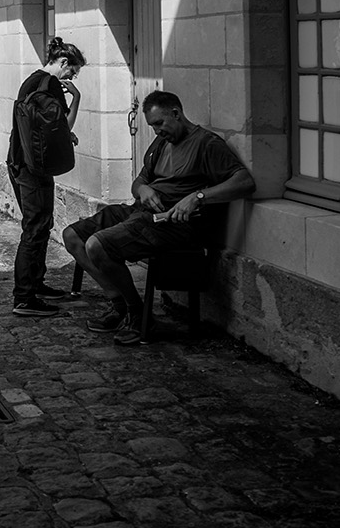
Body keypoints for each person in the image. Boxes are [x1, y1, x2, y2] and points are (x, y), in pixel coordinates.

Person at [62, 90, 255, 346]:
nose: (156, 131)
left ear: (176, 114)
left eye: (159, 123)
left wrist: (198, 196)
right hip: (141, 212)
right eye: (152, 126)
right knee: (73, 236)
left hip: (172, 223)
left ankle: (138, 314)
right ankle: (119, 304)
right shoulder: (162, 143)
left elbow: (244, 182)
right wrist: (143, 189)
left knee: (98, 245)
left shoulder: (206, 144)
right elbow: (139, 181)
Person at [7, 35, 86, 318]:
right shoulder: (51, 85)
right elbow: (63, 123)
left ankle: (36, 284)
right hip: (33, 166)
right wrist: (76, 98)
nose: (72, 76)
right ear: (63, 62)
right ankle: (25, 297)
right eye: (73, 70)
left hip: (21, 159)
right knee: (36, 227)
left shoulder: (32, 80)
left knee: (40, 223)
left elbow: (39, 125)